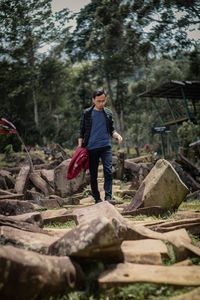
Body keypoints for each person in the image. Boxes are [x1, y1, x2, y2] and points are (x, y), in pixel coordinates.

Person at [78, 88, 123, 204]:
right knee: (93, 175)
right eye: (98, 101)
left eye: (103, 101)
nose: (101, 103)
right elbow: (81, 132)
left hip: (105, 147)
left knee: (108, 171)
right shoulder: (87, 113)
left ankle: (108, 197)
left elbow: (111, 129)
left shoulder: (108, 113)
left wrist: (117, 136)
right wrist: (80, 148)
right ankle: (97, 199)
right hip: (91, 148)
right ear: (93, 100)